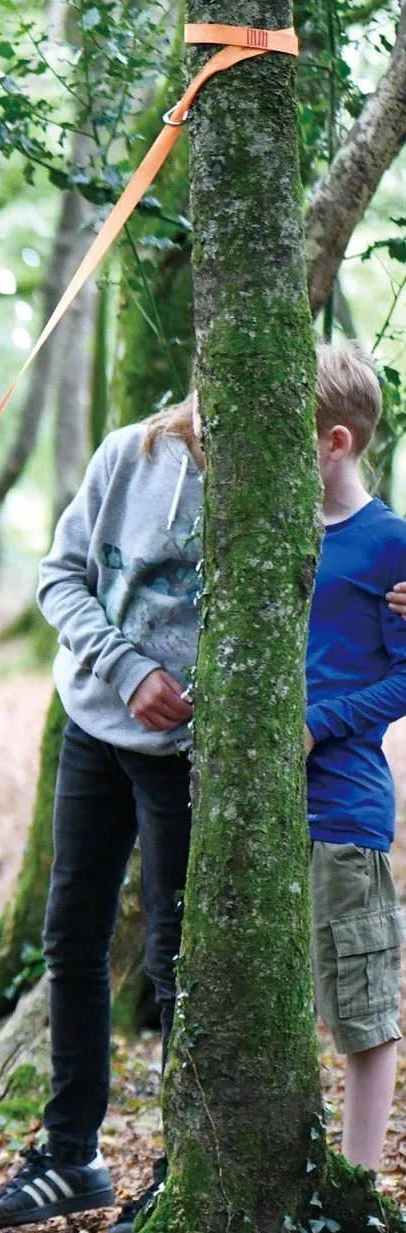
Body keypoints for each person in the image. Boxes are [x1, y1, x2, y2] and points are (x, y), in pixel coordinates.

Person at [0, 391, 203, 1233]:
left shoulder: (291, 485)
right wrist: (126, 667)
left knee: (183, 954)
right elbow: (60, 576)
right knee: (72, 936)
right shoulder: (131, 456)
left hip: (189, 755)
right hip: (97, 726)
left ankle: (190, 1171)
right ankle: (71, 1155)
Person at [304, 340, 404, 1173]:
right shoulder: (268, 537)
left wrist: (318, 723)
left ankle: (360, 1184)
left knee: (360, 1006)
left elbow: (404, 681)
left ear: (336, 441)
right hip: (254, 811)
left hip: (343, 805)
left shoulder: (389, 543)